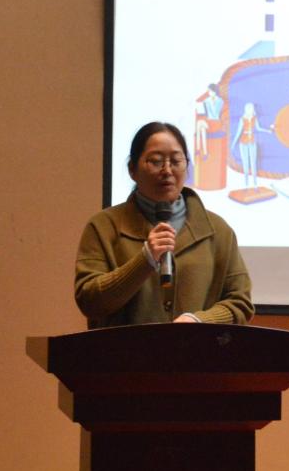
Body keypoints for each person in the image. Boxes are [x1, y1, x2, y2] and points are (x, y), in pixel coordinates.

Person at [74, 121, 254, 328]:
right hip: (125, 349)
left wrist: (199, 321)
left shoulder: (217, 230)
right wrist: (145, 260)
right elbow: (89, 301)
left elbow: (240, 302)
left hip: (196, 347)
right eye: (156, 161)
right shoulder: (103, 226)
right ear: (132, 169)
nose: (167, 170)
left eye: (176, 161)